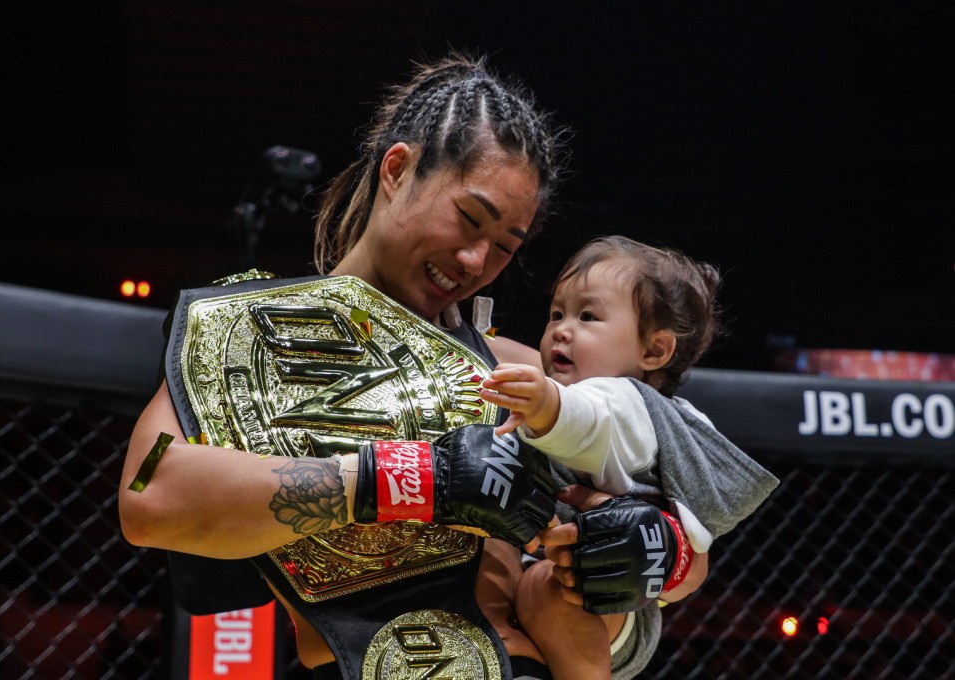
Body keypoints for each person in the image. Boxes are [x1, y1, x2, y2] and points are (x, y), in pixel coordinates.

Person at [119, 54, 705, 680]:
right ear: (397, 170)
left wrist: (654, 549)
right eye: (469, 218)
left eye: (506, 246)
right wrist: (418, 477)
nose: (477, 259)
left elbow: (689, 533)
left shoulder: (519, 372)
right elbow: (151, 497)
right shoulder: (250, 330)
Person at [478, 235, 779, 679]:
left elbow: (588, 421)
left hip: (601, 607)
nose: (562, 328)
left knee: (550, 586)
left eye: (588, 316)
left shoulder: (626, 403)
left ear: (654, 351)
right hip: (562, 591)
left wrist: (545, 404)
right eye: (557, 313)